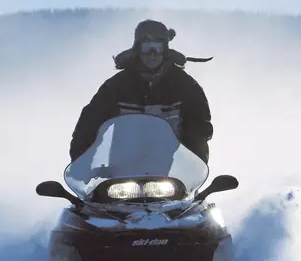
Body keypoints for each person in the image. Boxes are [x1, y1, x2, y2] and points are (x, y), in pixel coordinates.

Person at [69, 19, 214, 163]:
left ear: (165, 50)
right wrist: (81, 163)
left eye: (158, 48)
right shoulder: (116, 86)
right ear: (137, 49)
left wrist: (195, 162)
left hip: (171, 172)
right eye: (147, 47)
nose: (152, 55)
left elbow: (199, 126)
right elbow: (89, 123)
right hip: (121, 172)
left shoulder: (185, 86)